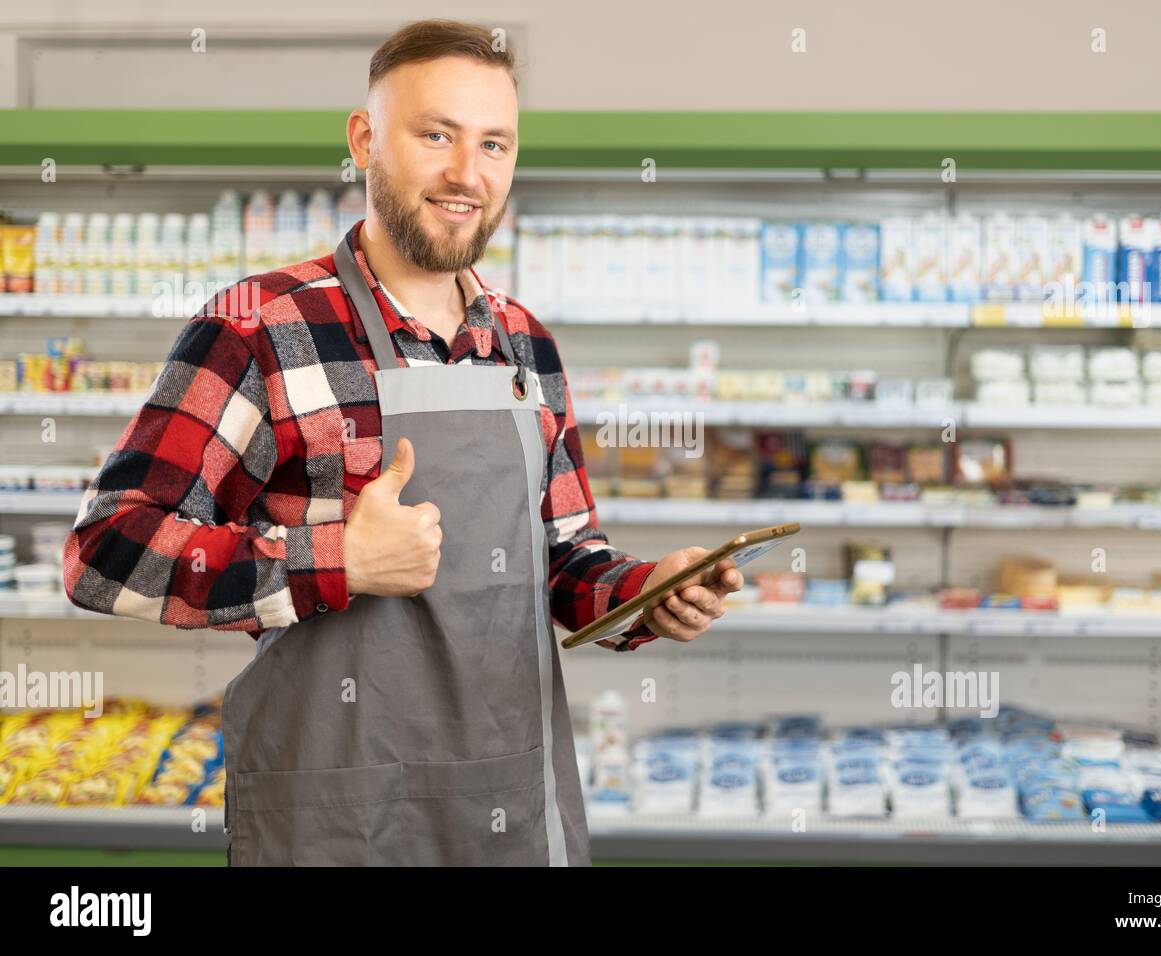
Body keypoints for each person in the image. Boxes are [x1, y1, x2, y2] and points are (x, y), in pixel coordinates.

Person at [62, 18, 743, 866]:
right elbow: (104, 553)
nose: (468, 174)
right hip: (335, 821)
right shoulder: (260, 327)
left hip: (511, 808)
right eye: (436, 135)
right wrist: (334, 559)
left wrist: (647, 593)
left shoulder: (527, 344)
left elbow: (564, 562)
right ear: (364, 140)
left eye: (495, 144)